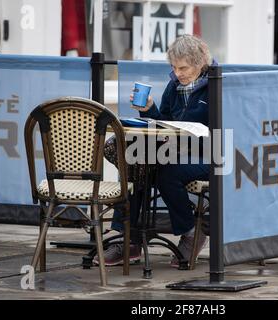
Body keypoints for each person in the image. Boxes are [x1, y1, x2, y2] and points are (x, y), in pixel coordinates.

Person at [96, 34, 212, 267]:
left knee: (165, 173)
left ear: (200, 63)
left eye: (183, 67)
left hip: (208, 153)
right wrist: (149, 109)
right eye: (173, 67)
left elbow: (223, 129)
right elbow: (164, 122)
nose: (177, 73)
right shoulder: (174, 86)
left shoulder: (217, 86)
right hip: (175, 150)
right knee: (133, 164)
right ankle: (128, 239)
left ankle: (191, 233)